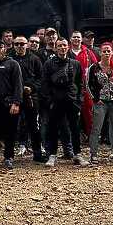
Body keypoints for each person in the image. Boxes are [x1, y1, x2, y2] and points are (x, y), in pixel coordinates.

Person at [41, 39, 87, 167]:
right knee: (53, 129)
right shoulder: (48, 64)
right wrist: (49, 101)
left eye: (64, 45)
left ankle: (77, 154)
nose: (62, 48)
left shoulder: (75, 64)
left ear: (68, 47)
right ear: (55, 48)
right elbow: (45, 84)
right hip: (55, 101)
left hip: (72, 101)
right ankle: (52, 155)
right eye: (59, 46)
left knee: (75, 129)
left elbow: (80, 84)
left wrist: (79, 101)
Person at [87, 43, 113, 163]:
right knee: (96, 128)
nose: (106, 53)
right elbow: (88, 84)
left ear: (112, 53)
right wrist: (95, 99)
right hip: (100, 102)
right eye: (104, 51)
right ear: (100, 53)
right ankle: (94, 154)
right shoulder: (94, 67)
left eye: (108, 51)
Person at [10, 36, 45, 162]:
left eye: (22, 44)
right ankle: (9, 155)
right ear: (14, 45)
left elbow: (41, 78)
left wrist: (32, 88)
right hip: (14, 97)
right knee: (12, 125)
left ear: (27, 45)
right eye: (17, 44)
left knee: (34, 126)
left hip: (30, 97)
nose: (19, 46)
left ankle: (37, 153)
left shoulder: (35, 59)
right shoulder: (10, 59)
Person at [69, 31, 98, 137]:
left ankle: (91, 135)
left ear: (81, 39)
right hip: (71, 87)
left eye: (78, 37)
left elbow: (96, 67)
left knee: (89, 112)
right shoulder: (66, 52)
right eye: (74, 37)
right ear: (71, 39)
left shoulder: (88, 52)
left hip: (86, 87)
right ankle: (74, 137)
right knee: (72, 113)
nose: (76, 39)